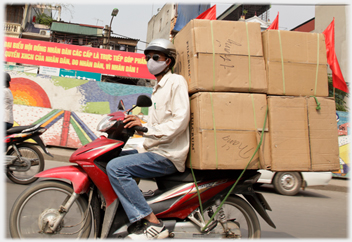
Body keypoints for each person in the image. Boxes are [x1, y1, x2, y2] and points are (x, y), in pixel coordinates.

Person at [106, 39, 190, 240]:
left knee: (116, 168)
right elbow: (159, 122)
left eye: (155, 57)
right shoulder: (158, 87)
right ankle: (126, 212)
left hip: (167, 154)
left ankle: (152, 222)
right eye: (147, 57)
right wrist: (138, 121)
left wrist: (146, 128)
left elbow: (180, 120)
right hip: (155, 149)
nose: (150, 61)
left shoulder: (175, 82)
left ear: (168, 61)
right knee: (110, 159)